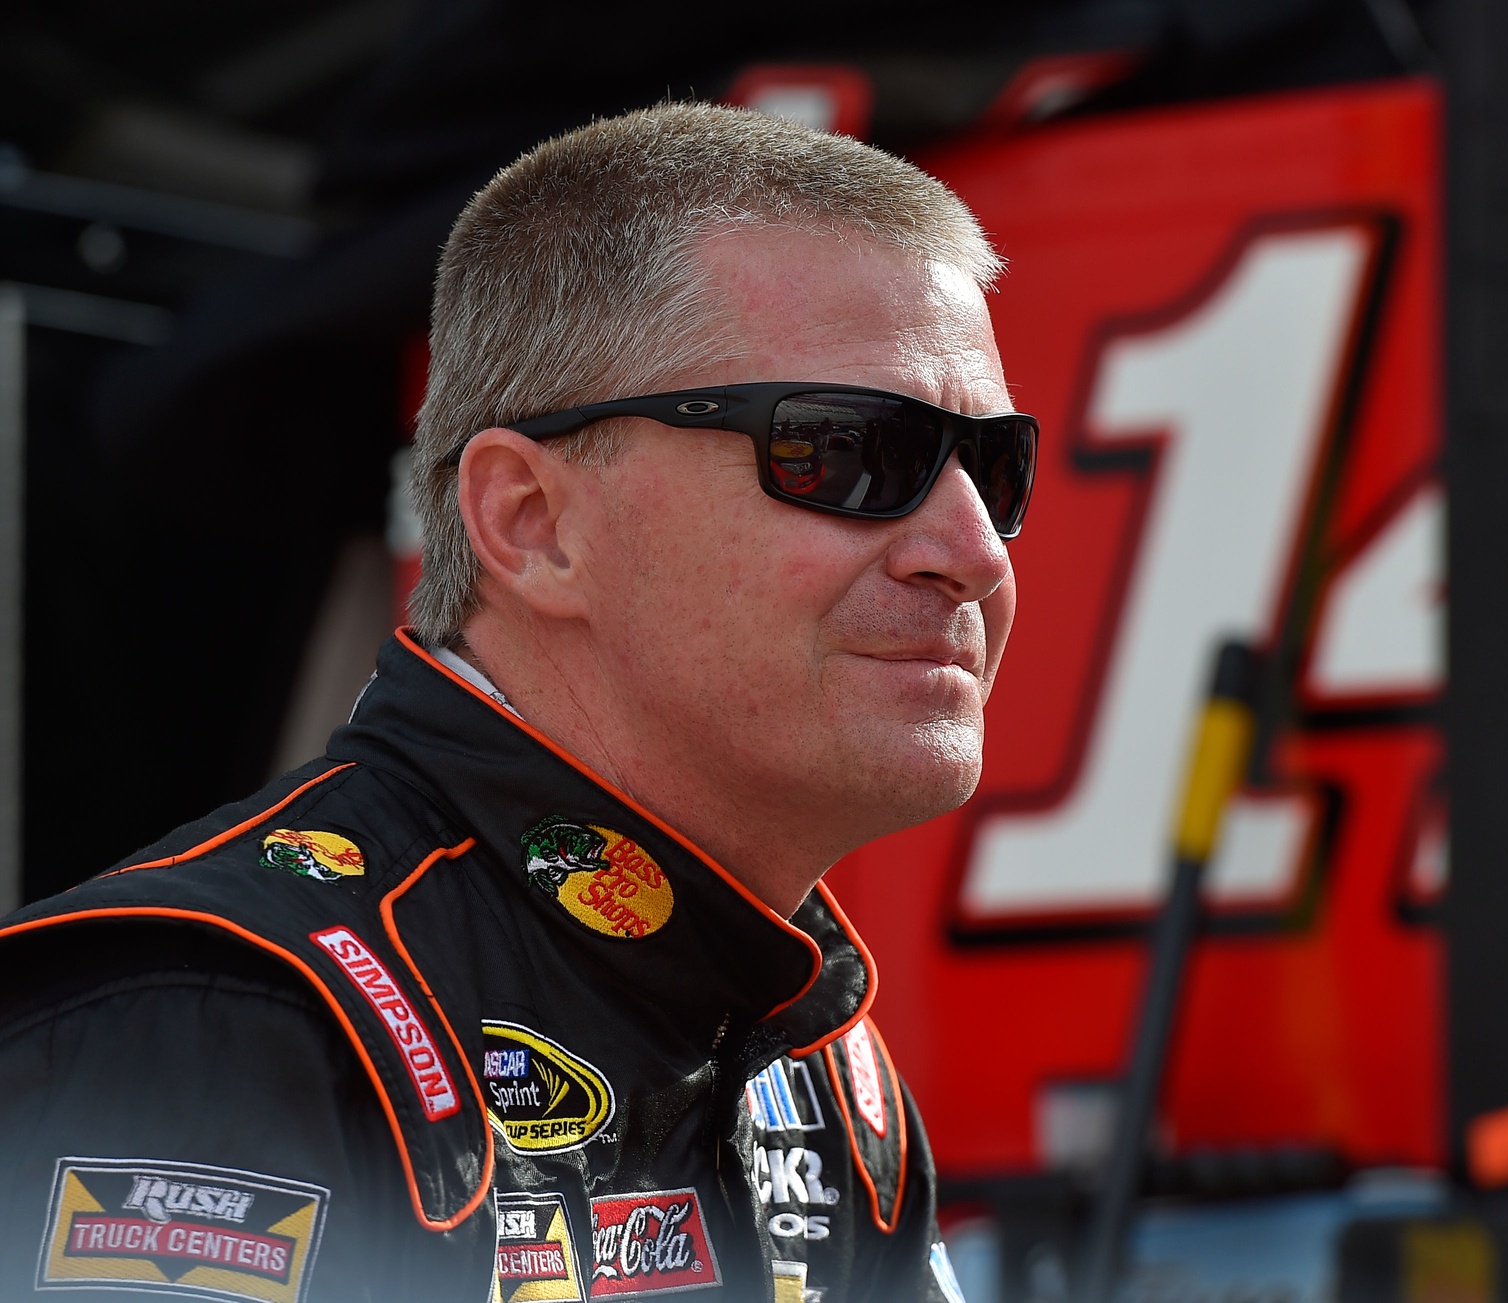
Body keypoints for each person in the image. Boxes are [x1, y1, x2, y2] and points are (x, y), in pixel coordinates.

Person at [0, 102, 1036, 1303]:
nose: (972, 548)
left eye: (995, 468)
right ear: (531, 523)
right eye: (849, 453)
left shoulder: (816, 1065)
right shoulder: (227, 1023)